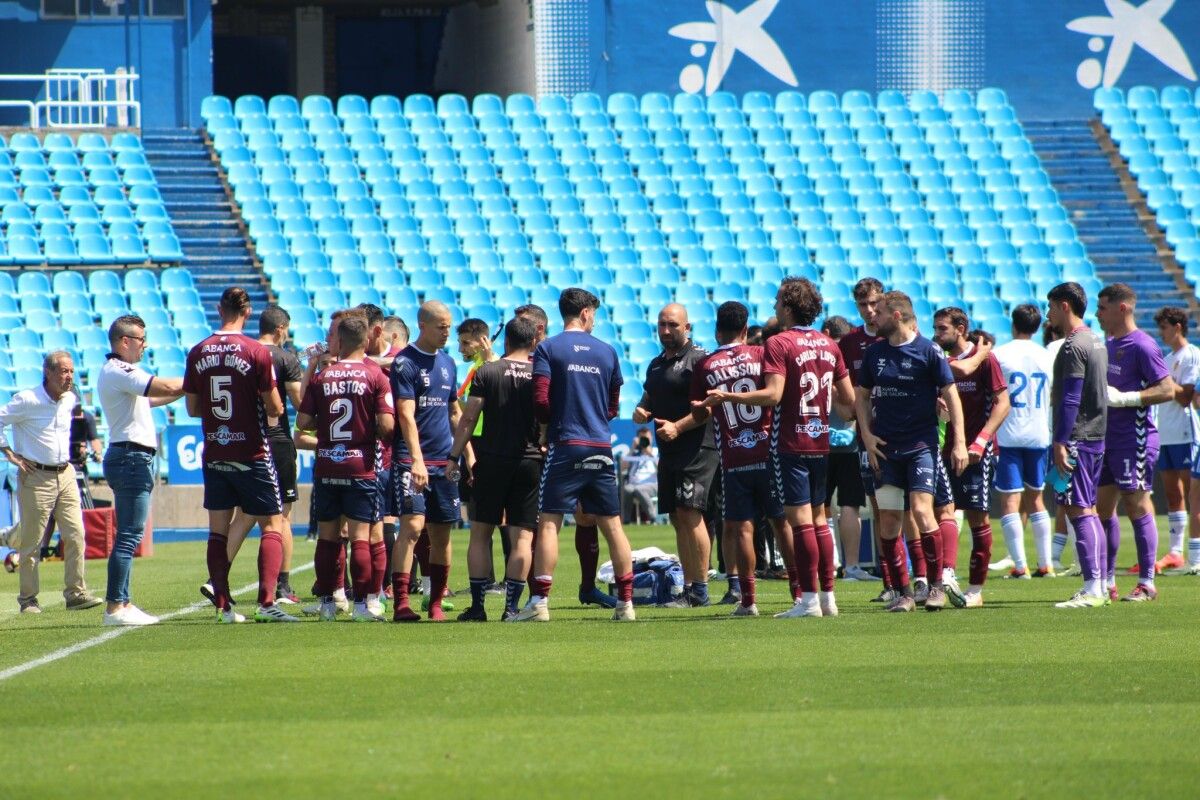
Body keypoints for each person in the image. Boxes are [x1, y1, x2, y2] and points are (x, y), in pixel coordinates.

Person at [703, 280, 854, 618]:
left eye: (776, 302)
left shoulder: (779, 343)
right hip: (821, 442)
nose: (773, 308)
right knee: (820, 520)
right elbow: (848, 403)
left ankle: (809, 601)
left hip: (788, 443)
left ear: (788, 306)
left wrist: (729, 396)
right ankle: (828, 598)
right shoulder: (829, 344)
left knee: (800, 523)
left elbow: (772, 395)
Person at [513, 287, 637, 622]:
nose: (594, 320)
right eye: (593, 314)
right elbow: (613, 406)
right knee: (613, 526)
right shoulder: (608, 352)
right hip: (600, 444)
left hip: (565, 444)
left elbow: (540, 401)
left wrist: (556, 420)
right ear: (584, 313)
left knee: (550, 523)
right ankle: (626, 604)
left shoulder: (549, 348)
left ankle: (539, 603)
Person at [660, 301, 789, 617]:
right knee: (782, 523)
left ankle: (747, 600)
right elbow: (777, 393)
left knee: (740, 528)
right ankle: (803, 594)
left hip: (733, 456)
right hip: (768, 453)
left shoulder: (708, 364)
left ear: (717, 330)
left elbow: (700, 412)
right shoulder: (762, 356)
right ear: (746, 330)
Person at [184, 287, 295, 623]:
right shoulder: (256, 351)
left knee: (218, 531)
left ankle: (223, 607)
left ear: (219, 309)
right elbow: (275, 407)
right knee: (273, 524)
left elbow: (192, 408)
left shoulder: (198, 351)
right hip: (253, 452)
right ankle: (266, 603)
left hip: (216, 450)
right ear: (248, 313)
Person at [855, 291, 968, 613]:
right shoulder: (875, 353)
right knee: (889, 520)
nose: (871, 316)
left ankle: (935, 587)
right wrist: (867, 434)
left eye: (878, 311)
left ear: (897, 316)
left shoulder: (927, 351)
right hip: (886, 449)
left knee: (921, 512)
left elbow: (952, 395)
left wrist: (958, 441)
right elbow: (862, 397)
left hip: (921, 446)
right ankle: (903, 593)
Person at [296, 314, 394, 622]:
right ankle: (364, 604)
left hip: (327, 465)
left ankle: (327, 602)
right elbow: (388, 426)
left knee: (328, 538)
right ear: (365, 341)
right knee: (361, 537)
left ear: (339, 341)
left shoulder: (323, 376)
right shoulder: (375, 375)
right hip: (360, 466)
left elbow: (303, 423)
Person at [445, 316, 543, 621]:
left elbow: (469, 417)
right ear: (534, 343)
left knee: (480, 533)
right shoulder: (541, 374)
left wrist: (454, 456)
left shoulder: (488, 371)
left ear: (506, 341)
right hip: (529, 462)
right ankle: (512, 608)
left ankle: (477, 607)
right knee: (522, 538)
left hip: (491, 460)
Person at [97, 315, 184, 626]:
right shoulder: (120, 369)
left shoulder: (118, 374)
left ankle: (123, 602)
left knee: (129, 534)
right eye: (140, 340)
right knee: (129, 535)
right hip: (130, 456)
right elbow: (159, 385)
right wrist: (197, 379)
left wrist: (184, 390)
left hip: (131, 456)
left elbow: (155, 397)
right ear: (124, 342)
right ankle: (115, 607)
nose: (144, 346)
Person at [215, 304, 304, 606]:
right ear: (280, 328)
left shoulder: (244, 352)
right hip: (275, 442)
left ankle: (216, 579)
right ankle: (282, 586)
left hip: (244, 441)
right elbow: (300, 403)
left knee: (246, 514)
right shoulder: (283, 357)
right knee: (281, 518)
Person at [0, 351, 101, 614]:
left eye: (71, 371)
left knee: (76, 533)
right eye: (64, 371)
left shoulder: (70, 398)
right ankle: (28, 600)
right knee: (33, 542)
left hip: (65, 473)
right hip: (36, 475)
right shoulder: (27, 399)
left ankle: (76, 593)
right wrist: (9, 453)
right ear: (48, 372)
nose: (69, 377)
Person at [1094, 284, 1175, 602]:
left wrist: (1126, 398)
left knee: (1136, 502)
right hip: (1108, 438)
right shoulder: (1110, 343)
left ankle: (1147, 582)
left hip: (1135, 438)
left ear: (1122, 308)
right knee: (1101, 509)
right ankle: (1108, 581)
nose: (1098, 314)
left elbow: (1166, 390)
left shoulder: (1142, 345)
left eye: (1102, 308)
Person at [636, 303, 718, 607]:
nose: (666, 331)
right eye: (662, 325)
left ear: (688, 327)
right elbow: (649, 396)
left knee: (690, 512)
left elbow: (711, 407)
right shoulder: (656, 364)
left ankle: (700, 589)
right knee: (676, 516)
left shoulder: (700, 360)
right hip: (668, 449)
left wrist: (678, 428)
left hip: (696, 448)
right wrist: (643, 410)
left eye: (673, 325)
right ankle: (688, 586)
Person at [388, 301, 463, 622]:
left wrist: (463, 457)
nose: (447, 331)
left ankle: (435, 602)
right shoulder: (405, 363)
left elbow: (455, 413)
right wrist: (417, 461)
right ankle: (401, 602)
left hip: (443, 463)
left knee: (442, 533)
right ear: (422, 325)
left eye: (449, 326)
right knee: (413, 527)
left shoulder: (448, 363)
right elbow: (405, 415)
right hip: (411, 460)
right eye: (441, 326)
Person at [932, 308, 1010, 607]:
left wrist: (980, 441)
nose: (936, 335)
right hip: (945, 447)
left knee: (978, 517)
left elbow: (1003, 403)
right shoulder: (941, 359)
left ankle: (975, 589)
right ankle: (946, 576)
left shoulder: (987, 360)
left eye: (942, 329)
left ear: (960, 328)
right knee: (943, 513)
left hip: (978, 452)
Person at [1046, 282, 1111, 609]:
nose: (1048, 314)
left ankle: (1092, 588)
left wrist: (1061, 440)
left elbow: (1070, 397)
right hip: (1095, 435)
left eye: (1051, 307)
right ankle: (1099, 584)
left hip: (1078, 438)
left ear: (1065, 307)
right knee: (1089, 509)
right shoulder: (1096, 340)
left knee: (1078, 510)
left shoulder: (1073, 346)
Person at [991, 304, 1057, 578]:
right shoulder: (1047, 356)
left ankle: (1020, 566)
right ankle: (1047, 564)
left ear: (1013, 324)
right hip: (1040, 434)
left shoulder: (999, 355)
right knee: (1037, 500)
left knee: (1010, 502)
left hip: (1008, 434)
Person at [837, 278, 892, 601]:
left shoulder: (897, 335)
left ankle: (924, 576)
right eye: (863, 305)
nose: (870, 311)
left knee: (909, 509)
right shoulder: (849, 343)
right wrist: (848, 411)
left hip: (902, 434)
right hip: (866, 437)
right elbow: (843, 395)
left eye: (874, 303)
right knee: (879, 507)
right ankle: (891, 581)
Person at [820, 315, 874, 582]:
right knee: (846, 506)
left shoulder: (817, 362)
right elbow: (849, 410)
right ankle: (847, 566)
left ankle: (834, 565)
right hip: (844, 443)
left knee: (826, 508)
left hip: (825, 444)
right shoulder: (842, 368)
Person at [1151, 306, 1199, 574]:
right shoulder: (1168, 358)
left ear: (1178, 326)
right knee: (1172, 493)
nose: (1162, 333)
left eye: (1165, 328)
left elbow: (1185, 398)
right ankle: (1175, 552)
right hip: (1165, 432)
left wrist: (1167, 381)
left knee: (1192, 493)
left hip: (1185, 430)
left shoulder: (1192, 356)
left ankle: (1195, 550)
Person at [622, 429, 658, 523]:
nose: (645, 440)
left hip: (652, 484)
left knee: (640, 489)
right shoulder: (634, 453)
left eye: (647, 438)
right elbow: (622, 468)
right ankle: (626, 520)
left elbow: (661, 468)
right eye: (642, 438)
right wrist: (632, 448)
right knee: (626, 489)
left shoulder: (656, 451)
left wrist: (649, 453)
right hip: (633, 484)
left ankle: (653, 517)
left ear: (652, 439)